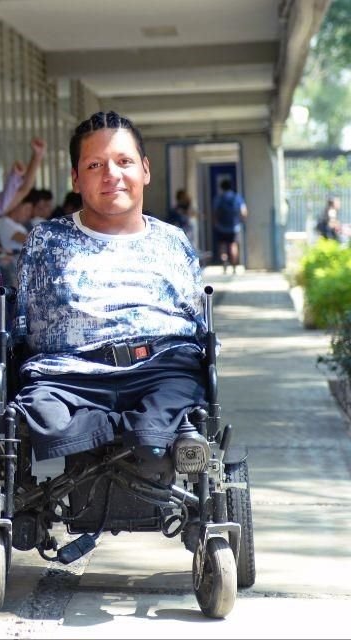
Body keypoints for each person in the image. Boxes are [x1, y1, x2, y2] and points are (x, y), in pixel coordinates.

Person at [14, 110, 206, 463]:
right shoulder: (46, 241)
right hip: (68, 377)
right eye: (95, 166)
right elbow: (23, 326)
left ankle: (144, 434)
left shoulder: (172, 241)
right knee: (42, 415)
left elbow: (198, 323)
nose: (112, 175)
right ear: (75, 178)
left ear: (145, 170)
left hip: (161, 369)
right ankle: (123, 433)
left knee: (172, 411)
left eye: (123, 161)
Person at [211, 178, 247, 274]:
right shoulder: (237, 197)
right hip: (234, 227)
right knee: (233, 246)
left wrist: (215, 223)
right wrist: (241, 222)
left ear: (221, 187)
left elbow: (214, 212)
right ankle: (234, 266)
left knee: (222, 246)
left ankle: (224, 265)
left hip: (221, 226)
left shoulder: (218, 198)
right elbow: (244, 212)